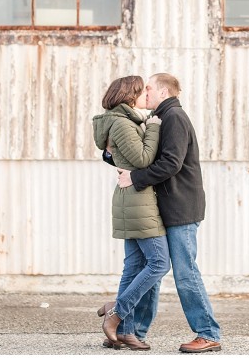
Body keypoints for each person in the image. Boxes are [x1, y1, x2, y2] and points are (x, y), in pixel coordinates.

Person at [117, 73, 222, 353]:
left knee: (185, 273)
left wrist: (136, 179)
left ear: (164, 91)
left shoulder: (174, 116)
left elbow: (171, 164)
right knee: (151, 269)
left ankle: (208, 333)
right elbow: (145, 154)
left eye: (149, 88)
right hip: (164, 207)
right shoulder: (159, 118)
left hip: (181, 208)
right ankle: (134, 333)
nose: (145, 92)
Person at [92, 76, 171, 351]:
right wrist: (153, 128)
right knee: (160, 263)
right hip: (138, 201)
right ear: (129, 96)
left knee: (134, 267)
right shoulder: (123, 123)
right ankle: (116, 311)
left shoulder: (121, 121)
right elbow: (142, 160)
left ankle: (124, 333)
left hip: (133, 199)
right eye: (142, 91)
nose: (145, 95)